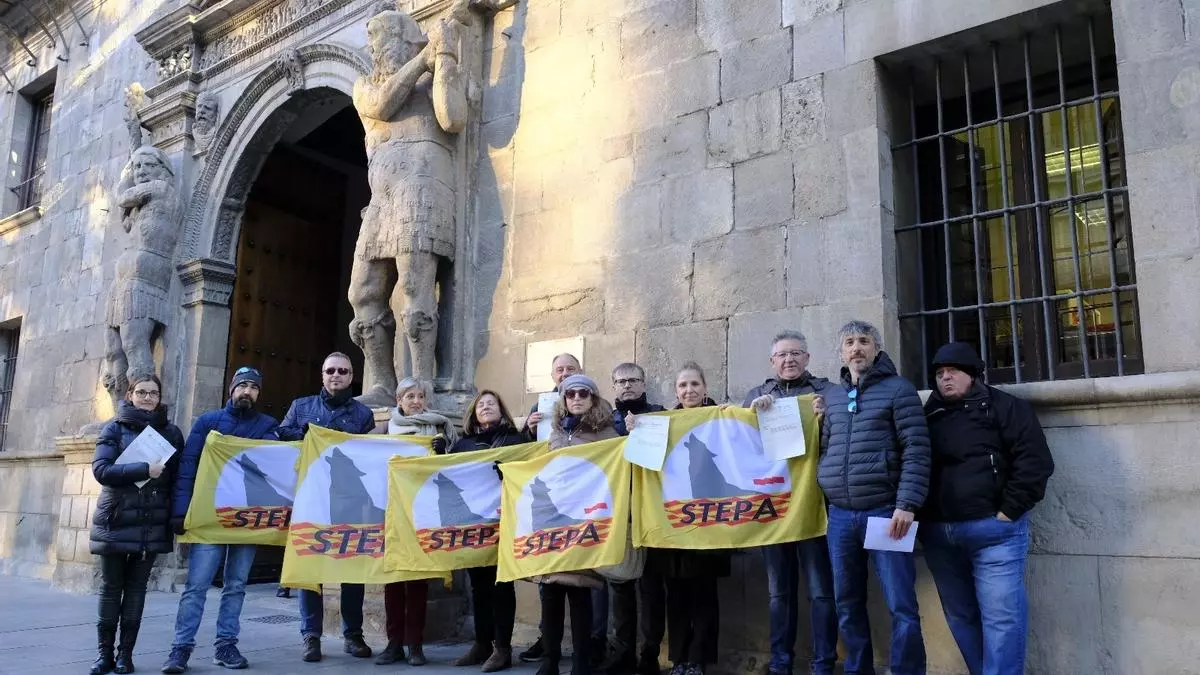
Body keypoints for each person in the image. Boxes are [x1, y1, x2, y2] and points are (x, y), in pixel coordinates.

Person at [919, 343, 1054, 675]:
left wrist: (1009, 510)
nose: (945, 377)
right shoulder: (927, 415)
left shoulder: (1006, 407)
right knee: (960, 615)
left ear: (973, 375)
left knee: (1002, 618)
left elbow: (1034, 461)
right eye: (939, 373)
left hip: (995, 533)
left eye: (953, 371)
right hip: (939, 535)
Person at [819, 321, 930, 675]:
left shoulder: (899, 390)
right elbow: (826, 447)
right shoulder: (834, 397)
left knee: (901, 604)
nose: (857, 348)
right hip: (840, 517)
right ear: (841, 353)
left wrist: (906, 504)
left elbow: (916, 449)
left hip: (885, 512)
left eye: (864, 341)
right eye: (849, 342)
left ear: (876, 349)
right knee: (846, 602)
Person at [162, 366, 280, 673]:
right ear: (232, 390)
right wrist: (180, 511)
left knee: (236, 585)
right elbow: (188, 466)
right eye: (242, 385)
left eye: (253, 387)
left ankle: (226, 645)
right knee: (196, 586)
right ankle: (180, 649)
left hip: (247, 519)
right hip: (210, 516)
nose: (247, 391)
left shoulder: (267, 426)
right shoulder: (208, 422)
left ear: (259, 393)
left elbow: (276, 462)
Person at [743, 331, 838, 675]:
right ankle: (781, 662)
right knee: (778, 593)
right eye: (782, 355)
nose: (789, 360)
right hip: (774, 511)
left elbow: (841, 440)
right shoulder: (756, 395)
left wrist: (826, 418)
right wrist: (751, 415)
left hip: (814, 506)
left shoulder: (828, 393)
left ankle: (823, 663)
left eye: (796, 353)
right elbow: (742, 446)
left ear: (807, 358)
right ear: (772, 361)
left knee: (821, 591)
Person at [629, 363, 730, 675]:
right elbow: (645, 464)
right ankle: (680, 659)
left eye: (695, 384)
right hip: (672, 524)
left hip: (708, 523)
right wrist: (636, 433)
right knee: (676, 596)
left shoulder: (722, 419)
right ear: (676, 391)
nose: (689, 390)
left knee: (704, 595)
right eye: (683, 385)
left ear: (705, 388)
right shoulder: (661, 426)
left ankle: (698, 660)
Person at [277, 352, 377, 663]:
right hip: (312, 498)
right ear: (322, 375)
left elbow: (370, 454)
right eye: (330, 370)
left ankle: (353, 635)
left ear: (351, 377)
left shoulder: (363, 414)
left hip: (350, 499)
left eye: (342, 371)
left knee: (353, 568)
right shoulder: (301, 407)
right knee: (311, 566)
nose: (336, 375)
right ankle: (311, 636)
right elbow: (281, 434)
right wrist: (304, 434)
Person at [89, 374, 183, 675]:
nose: (147, 398)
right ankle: (104, 655)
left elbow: (178, 480)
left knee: (136, 590)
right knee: (110, 588)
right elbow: (101, 471)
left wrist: (176, 515)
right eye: (141, 392)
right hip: (116, 518)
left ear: (159, 397)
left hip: (150, 521)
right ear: (130, 395)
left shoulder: (171, 433)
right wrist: (144, 469)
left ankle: (124, 656)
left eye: (153, 393)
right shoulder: (114, 428)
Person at [539, 374, 621, 675]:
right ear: (563, 399)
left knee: (581, 592)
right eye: (570, 393)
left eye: (583, 393)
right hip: (556, 518)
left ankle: (581, 661)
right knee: (551, 591)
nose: (576, 398)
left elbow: (615, 469)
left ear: (593, 398)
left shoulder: (607, 432)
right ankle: (549, 660)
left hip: (587, 519)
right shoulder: (556, 431)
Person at [374, 377, 458, 666]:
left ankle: (415, 645)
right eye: (410, 396)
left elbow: (449, 467)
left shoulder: (438, 428)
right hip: (393, 512)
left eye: (421, 396)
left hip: (423, 512)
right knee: (394, 581)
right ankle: (394, 643)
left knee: (419, 581)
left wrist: (442, 449)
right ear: (399, 400)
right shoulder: (387, 428)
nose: (416, 401)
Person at [449, 390, 527, 672]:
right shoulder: (463, 444)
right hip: (474, 523)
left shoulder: (516, 440)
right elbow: (450, 477)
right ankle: (482, 643)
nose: (485, 407)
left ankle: (502, 648)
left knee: (502, 585)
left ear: (501, 409)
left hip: (506, 521)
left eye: (491, 403)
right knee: (478, 586)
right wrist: (439, 454)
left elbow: (527, 473)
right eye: (481, 404)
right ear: (473, 413)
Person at [601, 363, 665, 675]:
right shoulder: (604, 422)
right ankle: (622, 654)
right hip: (618, 512)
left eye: (633, 380)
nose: (627, 385)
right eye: (621, 381)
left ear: (643, 383)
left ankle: (650, 656)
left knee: (652, 588)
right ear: (613, 386)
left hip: (653, 511)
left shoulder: (660, 415)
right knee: (620, 585)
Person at [517, 352, 581, 663]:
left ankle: (591, 644)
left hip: (581, 502)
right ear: (553, 375)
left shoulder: (591, 402)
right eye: (560, 369)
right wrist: (529, 430)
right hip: (548, 502)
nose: (565, 373)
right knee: (548, 578)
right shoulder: (539, 407)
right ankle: (548, 641)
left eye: (570, 368)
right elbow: (527, 453)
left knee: (586, 579)